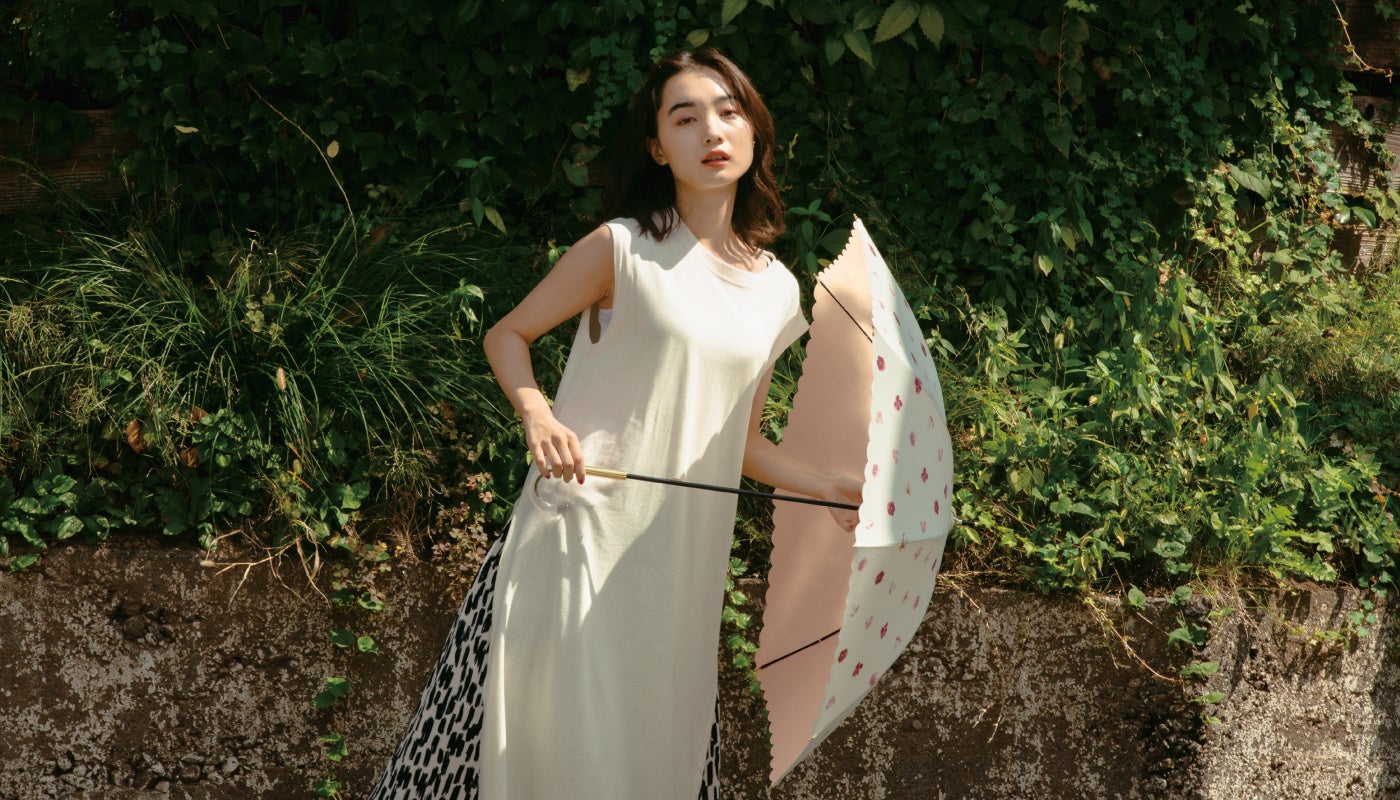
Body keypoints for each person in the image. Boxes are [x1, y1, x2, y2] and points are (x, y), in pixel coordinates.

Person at [368, 48, 861, 800]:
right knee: (556, 760)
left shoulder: (777, 292)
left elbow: (739, 439)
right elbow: (508, 334)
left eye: (728, 111)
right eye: (685, 118)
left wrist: (820, 484)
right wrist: (537, 414)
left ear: (754, 131)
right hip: (580, 535)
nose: (711, 131)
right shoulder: (623, 248)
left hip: (681, 567)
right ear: (658, 147)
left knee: (646, 763)